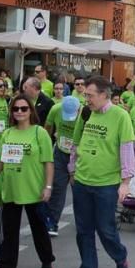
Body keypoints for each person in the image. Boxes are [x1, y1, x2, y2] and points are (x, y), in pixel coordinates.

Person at [66, 76, 134, 268]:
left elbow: (126, 149)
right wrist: (72, 170)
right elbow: (76, 143)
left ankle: (120, 256)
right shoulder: (85, 113)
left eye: (90, 95)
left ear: (105, 95)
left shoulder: (120, 116)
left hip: (107, 184)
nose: (86, 99)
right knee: (83, 230)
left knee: (106, 229)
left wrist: (125, 182)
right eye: (85, 95)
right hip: (83, 181)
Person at [0, 94, 55, 268]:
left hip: (33, 190)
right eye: (16, 109)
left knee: (39, 229)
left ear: (30, 111)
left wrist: (48, 186)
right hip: (11, 189)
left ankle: (46, 260)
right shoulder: (8, 133)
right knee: (10, 231)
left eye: (24, 108)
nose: (19, 112)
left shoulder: (40, 133)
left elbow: (48, 163)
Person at [44, 96, 80, 238]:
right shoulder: (56, 109)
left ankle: (84, 222)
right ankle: (52, 222)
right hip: (60, 152)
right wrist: (47, 144)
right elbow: (47, 127)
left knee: (79, 190)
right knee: (58, 188)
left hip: (78, 155)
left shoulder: (86, 115)